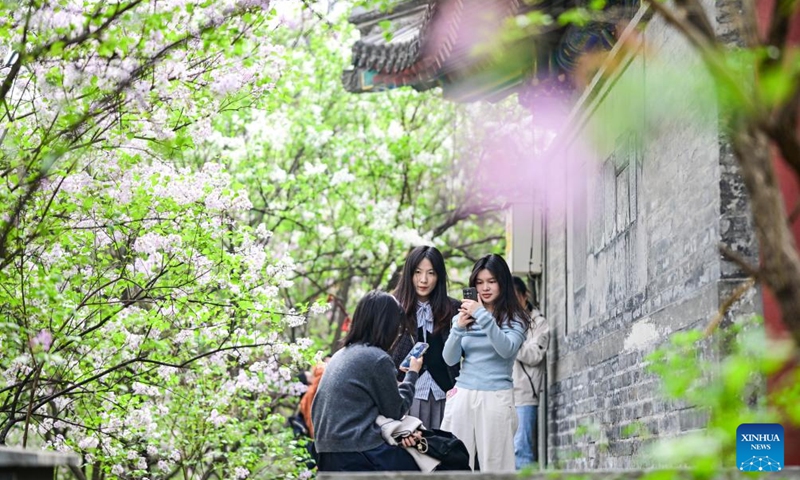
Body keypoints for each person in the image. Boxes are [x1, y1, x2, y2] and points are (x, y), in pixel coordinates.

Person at [311, 291, 425, 472]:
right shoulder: (377, 358)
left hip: (326, 451)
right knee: (428, 463)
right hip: (356, 451)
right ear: (389, 325)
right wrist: (412, 373)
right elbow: (396, 410)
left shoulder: (342, 354)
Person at [440, 254, 530, 472]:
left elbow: (506, 349)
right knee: (454, 463)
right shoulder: (462, 317)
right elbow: (450, 359)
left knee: (497, 466)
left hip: (496, 395)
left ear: (502, 283)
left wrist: (482, 315)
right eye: (479, 282)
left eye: (491, 281)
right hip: (463, 393)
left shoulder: (516, 318)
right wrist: (458, 328)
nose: (485, 288)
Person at [391, 246, 461, 430]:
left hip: (446, 395)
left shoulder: (454, 309)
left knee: (443, 451)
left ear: (439, 276)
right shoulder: (392, 307)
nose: (423, 280)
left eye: (431, 273)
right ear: (409, 274)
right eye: (418, 272)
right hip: (405, 395)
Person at [511, 276, 550, 469]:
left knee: (521, 450)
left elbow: (535, 355)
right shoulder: (504, 321)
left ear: (525, 295)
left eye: (515, 296)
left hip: (526, 395)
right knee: (503, 451)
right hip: (502, 394)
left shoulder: (539, 323)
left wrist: (509, 344)